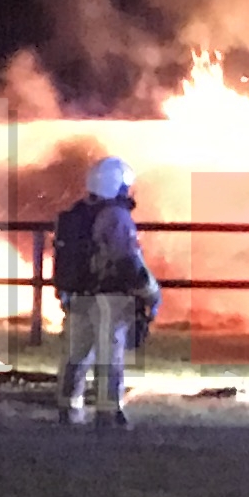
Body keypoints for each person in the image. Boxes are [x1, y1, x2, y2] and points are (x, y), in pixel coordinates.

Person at [48, 155, 156, 428]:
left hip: (77, 295)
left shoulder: (76, 214)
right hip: (110, 296)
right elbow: (128, 260)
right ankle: (109, 413)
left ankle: (68, 408)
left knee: (75, 354)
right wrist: (150, 292)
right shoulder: (116, 217)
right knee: (110, 355)